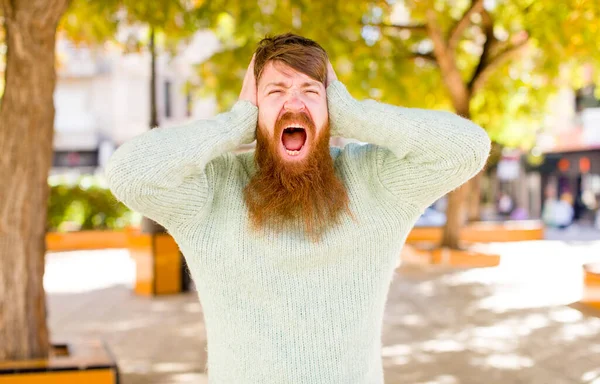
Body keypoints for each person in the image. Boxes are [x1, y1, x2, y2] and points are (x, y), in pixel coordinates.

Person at [105, 33, 491, 383]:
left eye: (311, 90)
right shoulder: (211, 193)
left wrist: (355, 113)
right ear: (255, 108)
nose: (294, 101)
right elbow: (129, 174)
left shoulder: (374, 182)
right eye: (275, 92)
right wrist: (235, 123)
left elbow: (468, 148)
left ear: (331, 108)